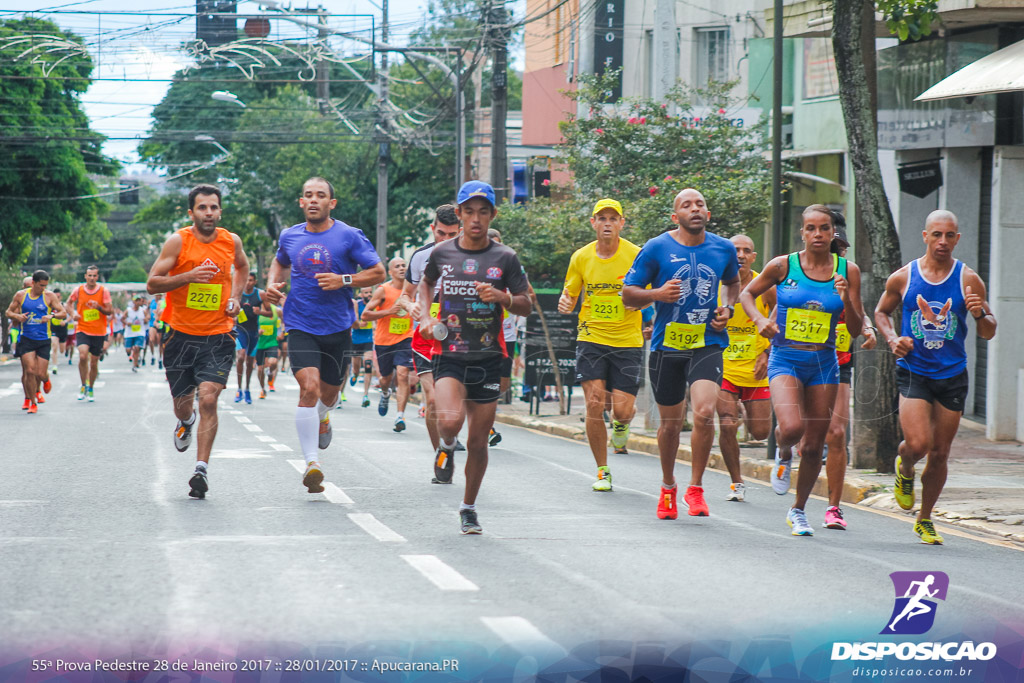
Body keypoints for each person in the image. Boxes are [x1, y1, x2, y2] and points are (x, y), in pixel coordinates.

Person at [740, 204, 864, 537]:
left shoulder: (847, 271)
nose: (818, 234)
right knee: (792, 428)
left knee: (813, 446)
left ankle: (798, 511)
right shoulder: (783, 265)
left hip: (824, 364)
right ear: (803, 232)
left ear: (832, 232)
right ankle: (782, 453)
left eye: (824, 228)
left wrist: (845, 298)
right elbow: (747, 294)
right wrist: (760, 320)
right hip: (786, 358)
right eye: (811, 228)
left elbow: (853, 328)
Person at [875, 209, 996, 545]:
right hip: (914, 370)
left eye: (950, 236)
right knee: (918, 444)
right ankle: (905, 466)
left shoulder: (968, 279)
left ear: (957, 238)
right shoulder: (904, 276)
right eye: (937, 235)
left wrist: (980, 313)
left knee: (941, 452)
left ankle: (925, 519)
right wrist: (892, 339)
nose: (943, 242)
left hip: (952, 374)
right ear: (925, 236)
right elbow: (882, 312)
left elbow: (988, 331)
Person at [416, 180, 531, 534]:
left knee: (480, 442)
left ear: (492, 214)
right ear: (461, 214)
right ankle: (447, 446)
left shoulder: (505, 257)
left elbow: (526, 303)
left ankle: (468, 507)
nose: (476, 218)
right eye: (470, 211)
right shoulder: (442, 253)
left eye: (484, 212)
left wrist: (503, 298)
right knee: (449, 421)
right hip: (449, 351)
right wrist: (424, 316)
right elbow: (425, 284)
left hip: (488, 356)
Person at [622, 189, 739, 520]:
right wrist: (657, 294)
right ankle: (668, 486)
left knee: (703, 412)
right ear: (676, 217)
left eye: (700, 203)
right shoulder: (657, 248)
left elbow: (732, 282)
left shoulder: (723, 248)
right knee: (671, 426)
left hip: (708, 341)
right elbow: (628, 295)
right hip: (667, 346)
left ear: (708, 212)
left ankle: (696, 488)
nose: (695, 208)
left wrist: (727, 308)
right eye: (686, 205)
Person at [265, 177, 385, 493]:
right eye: (308, 195)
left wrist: (344, 279)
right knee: (309, 387)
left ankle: (322, 417)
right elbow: (278, 264)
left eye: (321, 195)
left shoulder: (348, 236)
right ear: (301, 202)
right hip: (300, 325)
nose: (314, 200)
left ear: (331, 203)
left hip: (338, 327)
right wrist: (273, 284)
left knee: (329, 396)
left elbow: (378, 272)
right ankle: (312, 463)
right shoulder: (289, 236)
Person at [147, 184, 249, 499]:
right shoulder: (179, 241)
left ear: (220, 210)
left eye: (214, 207)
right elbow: (152, 283)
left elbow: (243, 268)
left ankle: (200, 469)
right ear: (191, 212)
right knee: (183, 406)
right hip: (180, 335)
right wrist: (187, 277)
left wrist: (234, 297)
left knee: (208, 398)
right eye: (202, 208)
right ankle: (186, 421)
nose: (209, 213)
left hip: (218, 335)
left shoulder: (231, 241)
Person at [558, 198, 645, 492]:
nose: (607, 223)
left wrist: (640, 301)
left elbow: (650, 288)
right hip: (591, 336)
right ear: (593, 223)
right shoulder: (581, 257)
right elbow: (570, 294)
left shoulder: (636, 254)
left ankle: (621, 425)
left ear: (622, 223)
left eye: (613, 218)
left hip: (627, 340)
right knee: (594, 403)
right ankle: (602, 471)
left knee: (622, 410)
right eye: (602, 218)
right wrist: (565, 302)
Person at [821, 213, 877, 530]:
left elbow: (860, 313)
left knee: (837, 433)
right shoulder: (798, 271)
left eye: (839, 247)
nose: (835, 252)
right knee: (800, 435)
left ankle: (834, 507)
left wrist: (868, 330)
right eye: (831, 245)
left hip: (838, 360)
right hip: (801, 360)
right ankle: (786, 452)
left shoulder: (847, 273)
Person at [716, 234, 776, 502]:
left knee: (760, 432)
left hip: (755, 369)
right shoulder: (716, 284)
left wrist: (767, 351)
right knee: (727, 424)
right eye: (734, 249)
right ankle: (736, 483)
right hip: (722, 367)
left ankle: (743, 407)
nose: (740, 254)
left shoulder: (764, 286)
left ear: (753, 257)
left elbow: (781, 315)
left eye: (746, 251)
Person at [404, 204, 461, 450]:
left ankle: (449, 439)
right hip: (426, 336)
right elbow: (405, 295)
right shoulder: (420, 256)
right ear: (432, 229)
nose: (445, 240)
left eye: (452, 234)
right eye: (441, 234)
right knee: (434, 399)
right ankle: (440, 453)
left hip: (461, 336)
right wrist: (411, 307)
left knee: (456, 401)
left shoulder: (475, 256)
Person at [362, 257, 416, 431]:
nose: (401, 268)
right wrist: (388, 312)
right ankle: (385, 393)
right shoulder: (382, 290)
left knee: (402, 374)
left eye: (403, 265)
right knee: (385, 379)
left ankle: (400, 416)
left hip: (406, 338)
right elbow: (365, 315)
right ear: (390, 272)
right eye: (397, 266)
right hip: (384, 341)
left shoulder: (413, 290)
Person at [6, 270, 64, 413]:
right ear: (33, 283)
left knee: (40, 373)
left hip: (44, 339)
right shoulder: (21, 295)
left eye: (45, 285)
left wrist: (51, 316)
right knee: (30, 370)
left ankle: (46, 379)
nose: (43, 288)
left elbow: (62, 313)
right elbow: (8, 312)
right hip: (27, 339)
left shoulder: (49, 296)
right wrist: (18, 317)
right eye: (41, 285)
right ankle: (32, 402)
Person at [65, 265, 113, 402]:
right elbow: (68, 303)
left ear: (97, 277)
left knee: (94, 362)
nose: (91, 278)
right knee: (82, 355)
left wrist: (98, 307)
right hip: (82, 329)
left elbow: (109, 310)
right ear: (85, 276)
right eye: (89, 275)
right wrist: (73, 313)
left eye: (94, 276)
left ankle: (90, 388)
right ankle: (83, 385)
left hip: (98, 331)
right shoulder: (78, 290)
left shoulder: (104, 291)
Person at [233, 272, 271, 404]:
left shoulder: (260, 294)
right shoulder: (237, 293)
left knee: (249, 361)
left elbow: (270, 312)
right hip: (240, 330)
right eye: (246, 280)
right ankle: (239, 389)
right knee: (241, 357)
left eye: (250, 281)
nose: (247, 283)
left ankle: (247, 388)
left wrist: (259, 312)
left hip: (253, 331)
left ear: (254, 282)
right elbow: (229, 308)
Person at [349, 286, 378, 408]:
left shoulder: (374, 305)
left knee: (367, 365)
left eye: (370, 292)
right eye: (366, 292)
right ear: (361, 294)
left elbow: (376, 321)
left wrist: (376, 328)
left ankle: (365, 395)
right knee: (356, 368)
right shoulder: (357, 304)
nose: (369, 294)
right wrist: (360, 324)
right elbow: (354, 321)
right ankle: (354, 375)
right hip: (356, 340)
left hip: (368, 339)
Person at [255, 304, 282, 398]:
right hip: (259, 344)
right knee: (260, 369)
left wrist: (281, 332)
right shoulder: (256, 309)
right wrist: (257, 331)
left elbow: (284, 321)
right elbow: (249, 324)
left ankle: (270, 373)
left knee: (273, 362)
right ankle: (262, 389)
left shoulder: (276, 310)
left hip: (272, 342)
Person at [123, 296, 148, 372]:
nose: (138, 302)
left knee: (137, 348)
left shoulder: (143, 311)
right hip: (129, 333)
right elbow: (122, 319)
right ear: (133, 302)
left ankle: (134, 365)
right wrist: (127, 323)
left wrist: (145, 320)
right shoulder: (128, 310)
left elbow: (147, 319)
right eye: (136, 301)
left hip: (139, 332)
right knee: (128, 350)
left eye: (139, 301)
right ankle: (130, 355)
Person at [49, 287, 67, 375]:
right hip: (53, 329)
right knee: (54, 346)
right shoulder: (50, 306)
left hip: (62, 330)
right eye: (55, 297)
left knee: (62, 350)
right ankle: (54, 366)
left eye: (58, 297)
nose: (57, 298)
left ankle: (66, 350)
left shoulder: (64, 305)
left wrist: (65, 321)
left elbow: (71, 315)